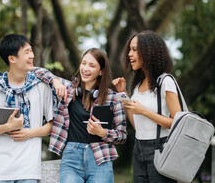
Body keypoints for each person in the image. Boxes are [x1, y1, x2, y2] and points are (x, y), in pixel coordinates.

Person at [0, 34, 58, 183]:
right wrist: (7, 127)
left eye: (31, 51)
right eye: (26, 52)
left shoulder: (41, 87)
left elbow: (54, 125)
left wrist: (30, 133)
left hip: (28, 171)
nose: (32, 56)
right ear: (12, 58)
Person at [33, 48, 127, 183]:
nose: (85, 68)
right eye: (84, 63)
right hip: (72, 157)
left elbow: (122, 136)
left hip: (101, 157)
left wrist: (102, 132)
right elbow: (34, 70)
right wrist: (55, 81)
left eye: (92, 65)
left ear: (101, 71)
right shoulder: (68, 89)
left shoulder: (112, 97)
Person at [112, 31, 182, 183]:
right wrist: (123, 94)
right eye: (130, 49)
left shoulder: (165, 81)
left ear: (149, 52)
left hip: (160, 147)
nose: (130, 54)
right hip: (139, 148)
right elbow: (138, 125)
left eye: (135, 50)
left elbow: (177, 123)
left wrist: (143, 111)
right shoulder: (138, 85)